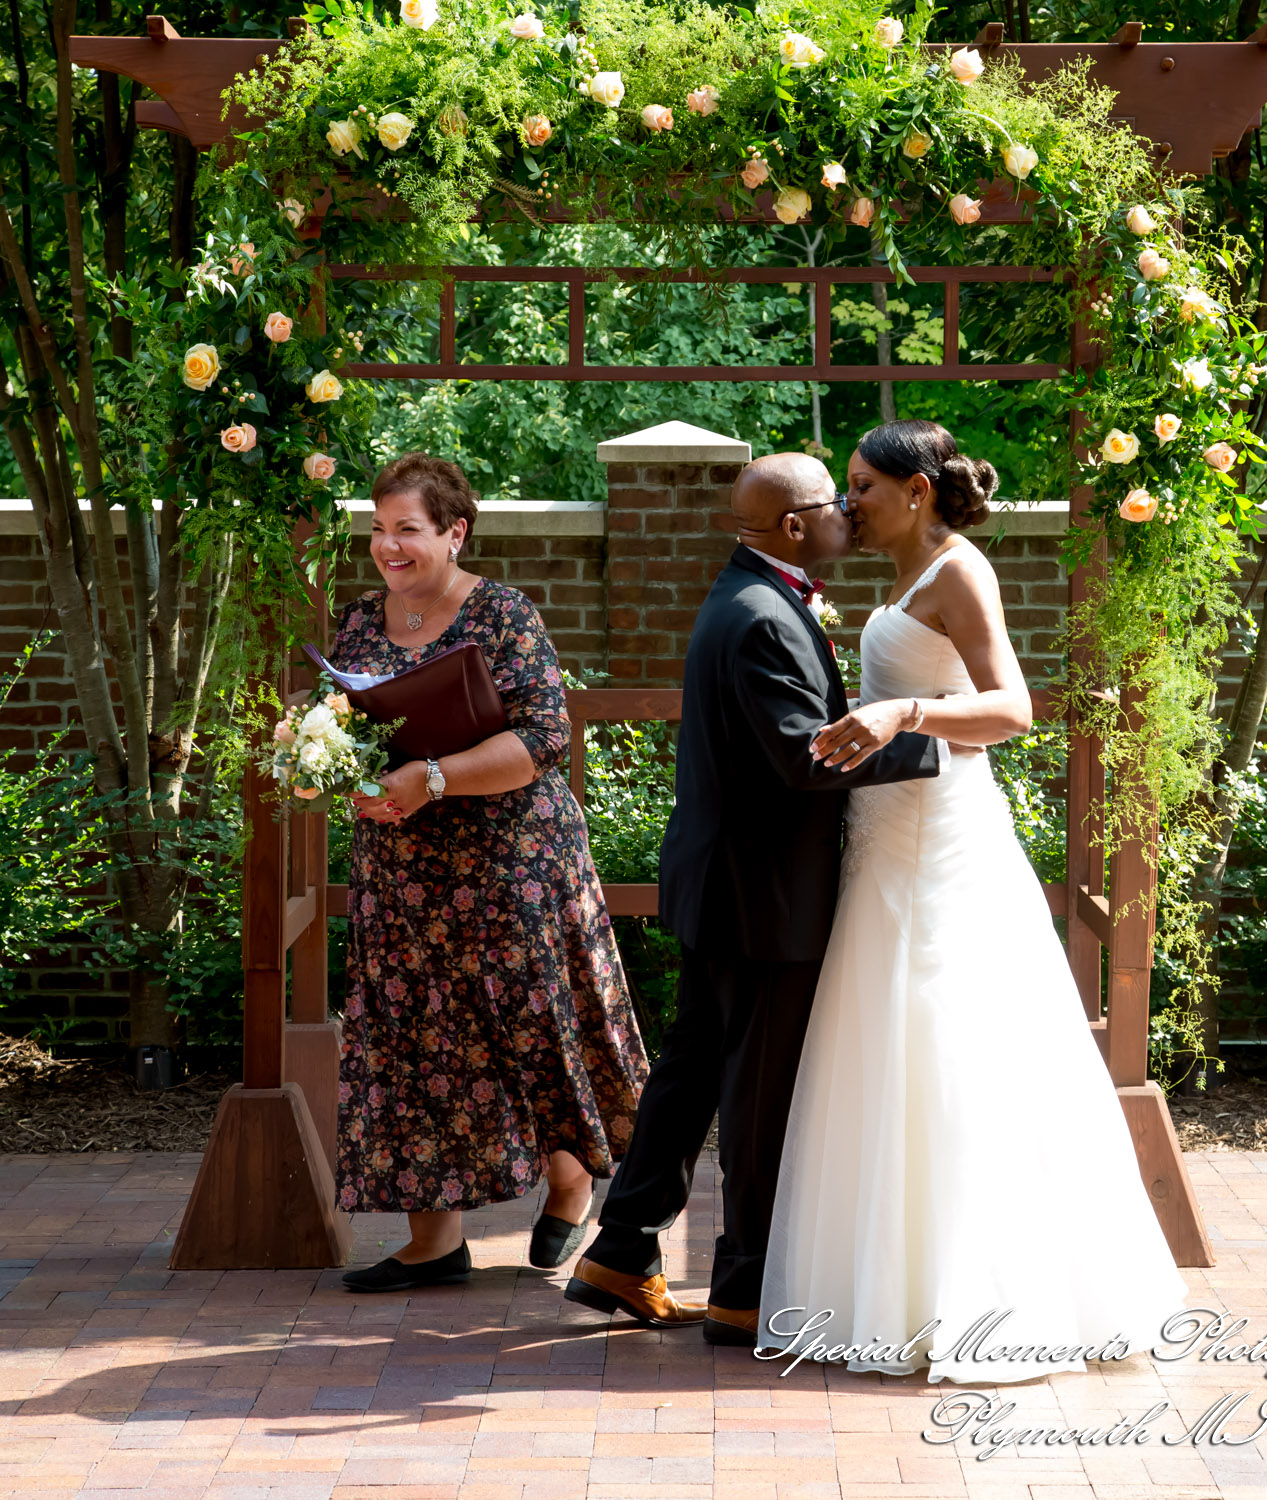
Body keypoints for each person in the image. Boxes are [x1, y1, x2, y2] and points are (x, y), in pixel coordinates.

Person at [756, 419, 1190, 1382]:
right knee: (886, 1046)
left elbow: (1012, 710)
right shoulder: (905, 571)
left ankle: (987, 1297)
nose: (848, 501)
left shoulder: (961, 571)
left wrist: (903, 711)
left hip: (942, 837)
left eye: (863, 484)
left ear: (916, 491)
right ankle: (892, 1292)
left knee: (954, 1046)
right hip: (884, 837)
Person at [566, 452, 954, 1344]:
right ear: (791, 527)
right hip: (762, 898)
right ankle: (741, 1288)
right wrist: (939, 749)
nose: (849, 515)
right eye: (835, 504)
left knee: (696, 1068)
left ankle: (621, 1248)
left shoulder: (756, 597)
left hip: (726, 883)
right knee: (756, 1091)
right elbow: (801, 755)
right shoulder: (762, 620)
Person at [332, 451, 649, 1292]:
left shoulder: (503, 613)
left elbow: (545, 738)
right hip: (401, 874)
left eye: (408, 530)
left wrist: (432, 779)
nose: (389, 547)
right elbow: (349, 727)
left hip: (511, 864)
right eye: (378, 530)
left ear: (454, 531)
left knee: (529, 1029)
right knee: (414, 1043)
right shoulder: (360, 623)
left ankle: (571, 1180)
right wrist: (335, 767)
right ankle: (434, 1243)